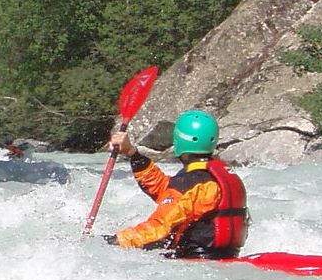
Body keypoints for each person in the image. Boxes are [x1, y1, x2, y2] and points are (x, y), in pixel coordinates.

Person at [105, 110, 249, 258]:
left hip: (196, 262)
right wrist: (132, 153)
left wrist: (113, 241)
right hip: (225, 257)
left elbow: (158, 229)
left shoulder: (190, 184)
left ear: (179, 141)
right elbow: (165, 190)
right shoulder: (219, 176)